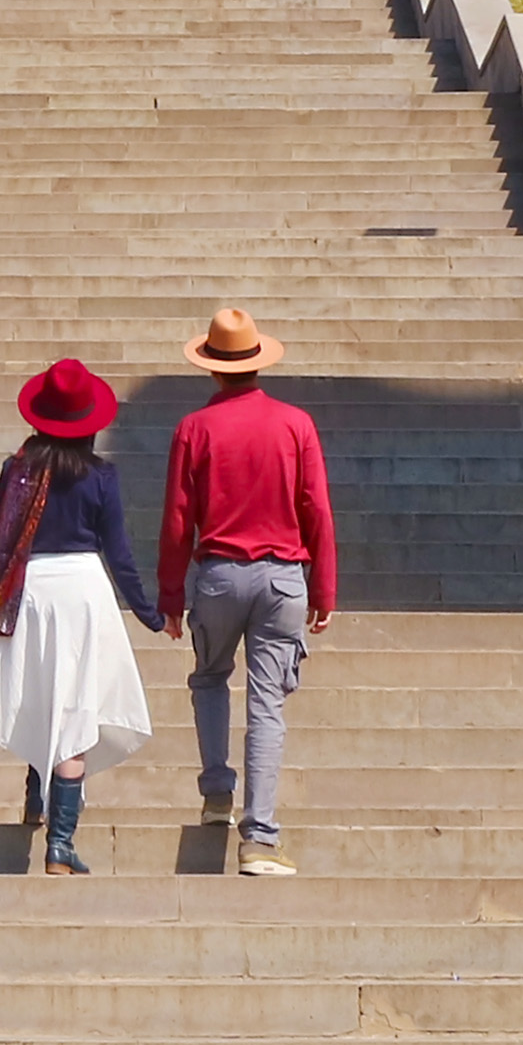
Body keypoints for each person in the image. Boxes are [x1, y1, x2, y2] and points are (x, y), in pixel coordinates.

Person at [157, 306, 337, 877]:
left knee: (210, 678)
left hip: (217, 574)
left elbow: (176, 520)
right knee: (267, 703)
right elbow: (317, 511)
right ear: (258, 362)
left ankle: (216, 794)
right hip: (284, 577)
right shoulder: (296, 424)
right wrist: (324, 590)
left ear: (211, 368)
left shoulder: (194, 429)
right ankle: (259, 836)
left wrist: (168, 596)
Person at [0, 358, 156, 873]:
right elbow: (118, 552)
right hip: (81, 591)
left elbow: (3, 543)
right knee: (75, 708)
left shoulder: (16, 472)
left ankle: (36, 794)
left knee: (38, 691)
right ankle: (60, 843)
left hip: (30, 587)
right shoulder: (100, 476)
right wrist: (147, 612)